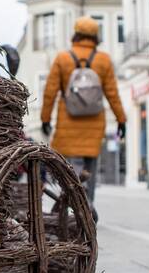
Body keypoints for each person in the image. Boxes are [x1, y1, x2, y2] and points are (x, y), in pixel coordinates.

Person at [41, 16, 127, 218]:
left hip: (67, 121)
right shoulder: (103, 60)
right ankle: (88, 203)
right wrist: (121, 119)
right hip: (94, 122)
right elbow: (112, 93)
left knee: (68, 167)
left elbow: (50, 92)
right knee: (90, 167)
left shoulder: (62, 58)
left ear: (76, 34)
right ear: (95, 36)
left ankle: (70, 202)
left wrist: (46, 119)